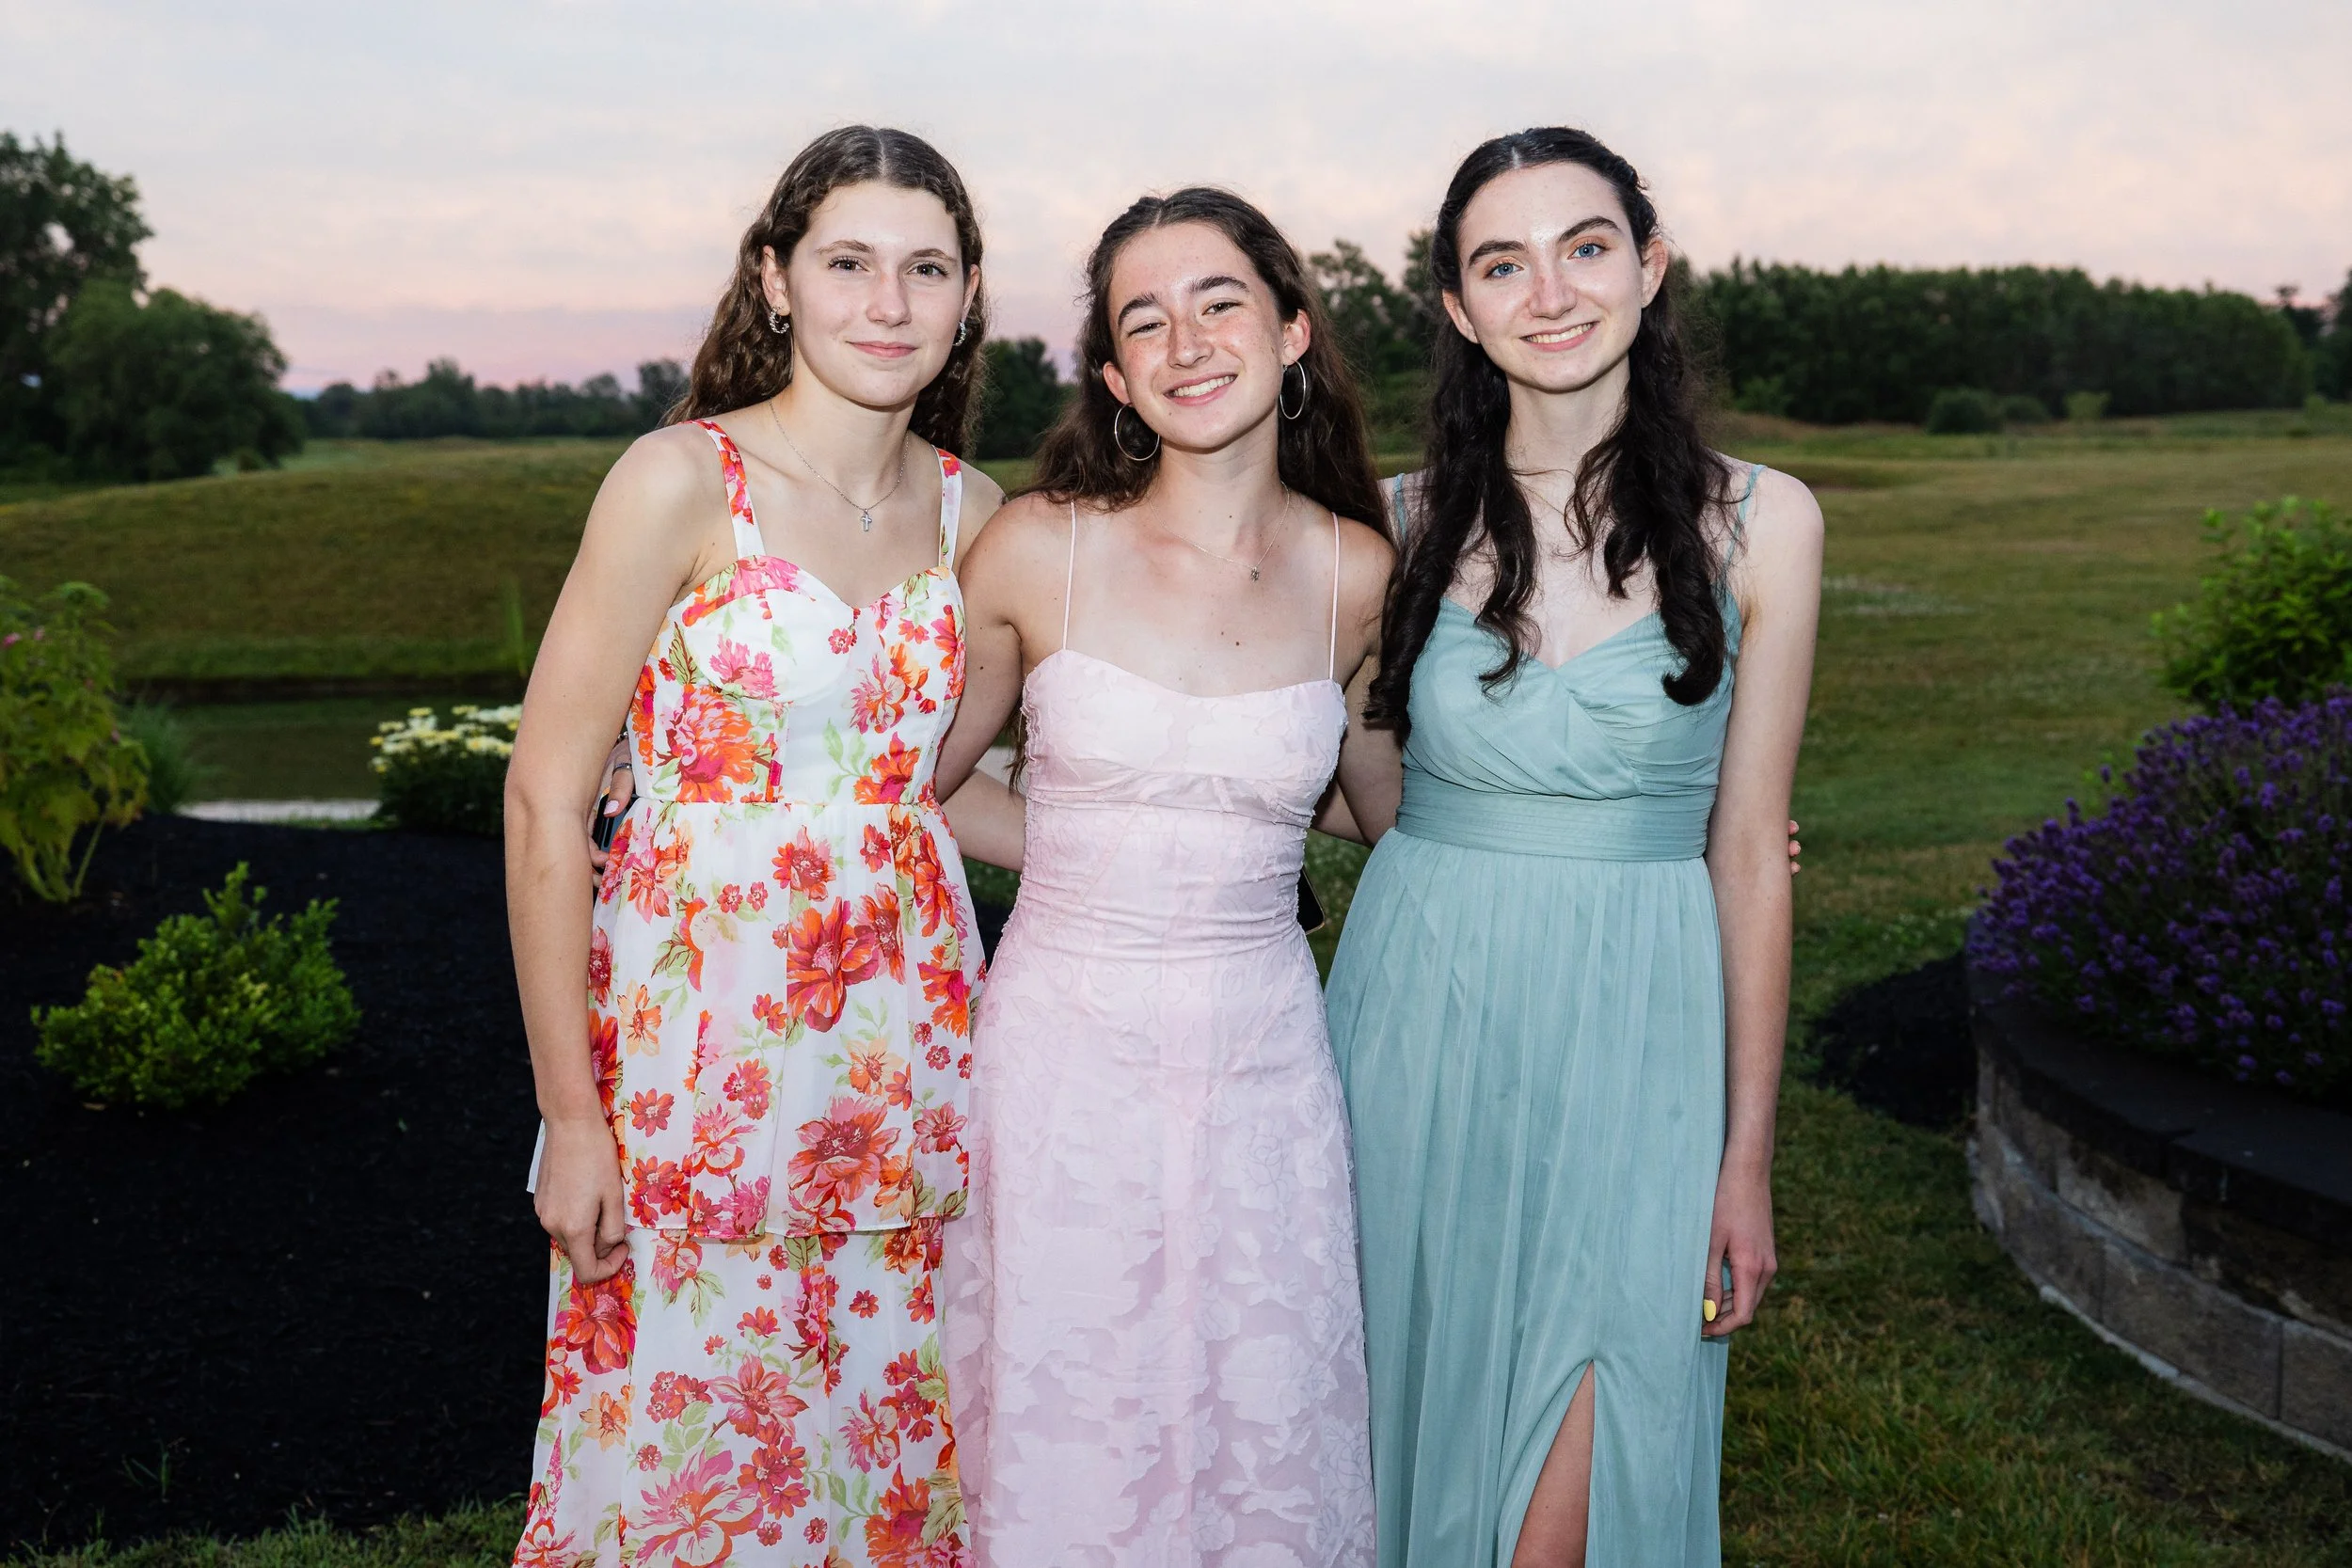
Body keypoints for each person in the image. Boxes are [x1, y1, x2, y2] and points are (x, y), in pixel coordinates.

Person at [503, 125, 1004, 1566]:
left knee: (888, 1445)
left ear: (969, 297)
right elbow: (544, 801)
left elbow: (938, 788)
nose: (888, 303)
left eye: (927, 269)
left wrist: (1194, 849)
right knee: (695, 1451)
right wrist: (573, 1117)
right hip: (697, 1060)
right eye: (849, 263)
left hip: (908, 1055)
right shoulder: (678, 480)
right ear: (776, 279)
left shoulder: (980, 516)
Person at [1323, 129, 1822, 1568]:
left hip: (1641, 1036)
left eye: (1585, 246)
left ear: (1648, 266)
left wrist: (1745, 1157)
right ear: (1457, 306)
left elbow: (1750, 850)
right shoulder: (1391, 528)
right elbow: (1352, 784)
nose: (1549, 291)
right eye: (1503, 263)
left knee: (1570, 1508)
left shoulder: (1762, 521)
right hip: (1418, 1029)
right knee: (1392, 1447)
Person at [929, 187, 1394, 1565]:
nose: (1187, 341)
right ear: (1117, 378)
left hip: (1263, 1065)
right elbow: (920, 778)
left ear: (1292, 331)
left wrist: (1650, 823)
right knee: (1073, 1423)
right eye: (1146, 321)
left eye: (1219, 301)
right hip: (1062, 1063)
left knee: (1259, 1416)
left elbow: (1388, 810)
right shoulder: (1038, 547)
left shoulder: (1357, 574)